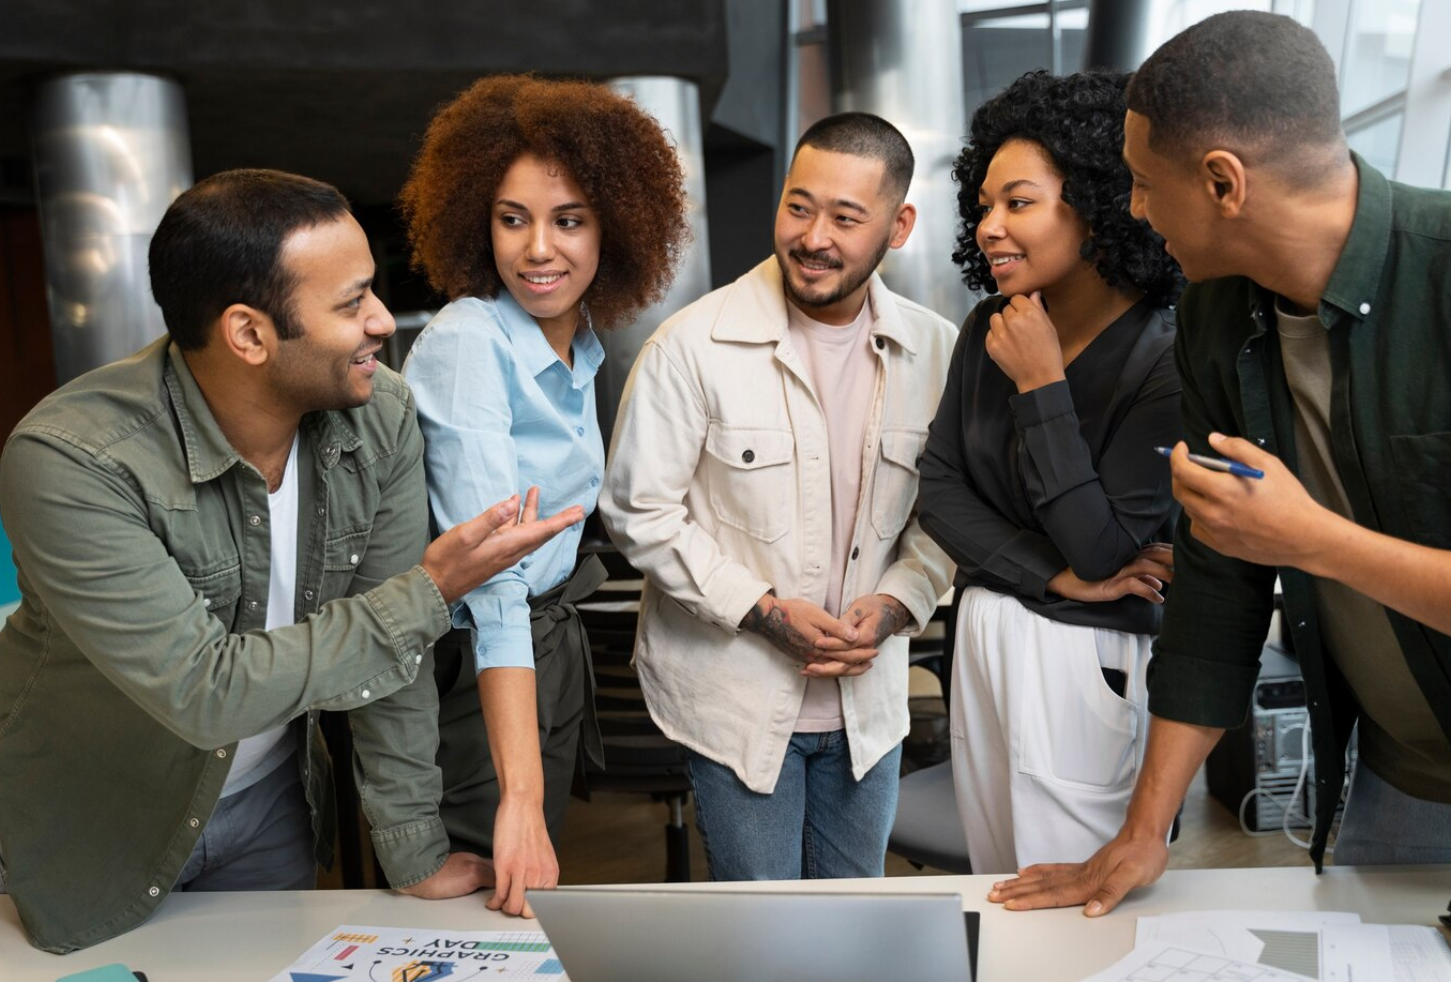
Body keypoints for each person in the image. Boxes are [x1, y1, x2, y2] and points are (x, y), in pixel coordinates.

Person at [0, 169, 582, 953]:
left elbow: (391, 663)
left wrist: (412, 850)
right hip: (90, 830)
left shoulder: (380, 414)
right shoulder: (73, 459)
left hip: (267, 815)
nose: (382, 320)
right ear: (248, 334)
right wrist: (431, 589)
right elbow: (204, 690)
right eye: (351, 303)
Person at [989, 11, 1451, 917]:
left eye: (1140, 182)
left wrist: (1311, 541)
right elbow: (1215, 590)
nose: (1131, 209)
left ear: (1220, 181)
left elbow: (1289, 543)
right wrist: (1140, 833)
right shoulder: (1213, 320)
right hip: (1405, 781)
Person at [599, 112, 956, 881]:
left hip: (870, 711)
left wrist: (895, 604)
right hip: (733, 705)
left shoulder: (937, 351)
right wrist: (763, 611)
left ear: (898, 226)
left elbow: (948, 516)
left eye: (845, 217)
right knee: (761, 933)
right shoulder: (691, 346)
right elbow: (638, 511)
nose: (813, 236)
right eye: (798, 206)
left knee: (853, 928)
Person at [398, 75, 689, 917]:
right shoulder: (467, 344)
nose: (537, 250)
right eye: (511, 218)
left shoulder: (580, 350)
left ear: (615, 228)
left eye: (568, 220)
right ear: (476, 222)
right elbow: (492, 583)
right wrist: (517, 797)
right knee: (471, 921)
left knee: (525, 908)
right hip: (474, 669)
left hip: (548, 648)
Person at [916, 70, 1185, 875]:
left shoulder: (1163, 359)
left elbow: (1101, 552)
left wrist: (1041, 386)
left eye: (1018, 203)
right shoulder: (989, 325)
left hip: (1085, 656)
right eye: (985, 205)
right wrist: (1047, 575)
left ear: (1096, 202)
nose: (990, 226)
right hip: (985, 630)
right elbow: (936, 488)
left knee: (1075, 902)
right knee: (1003, 886)